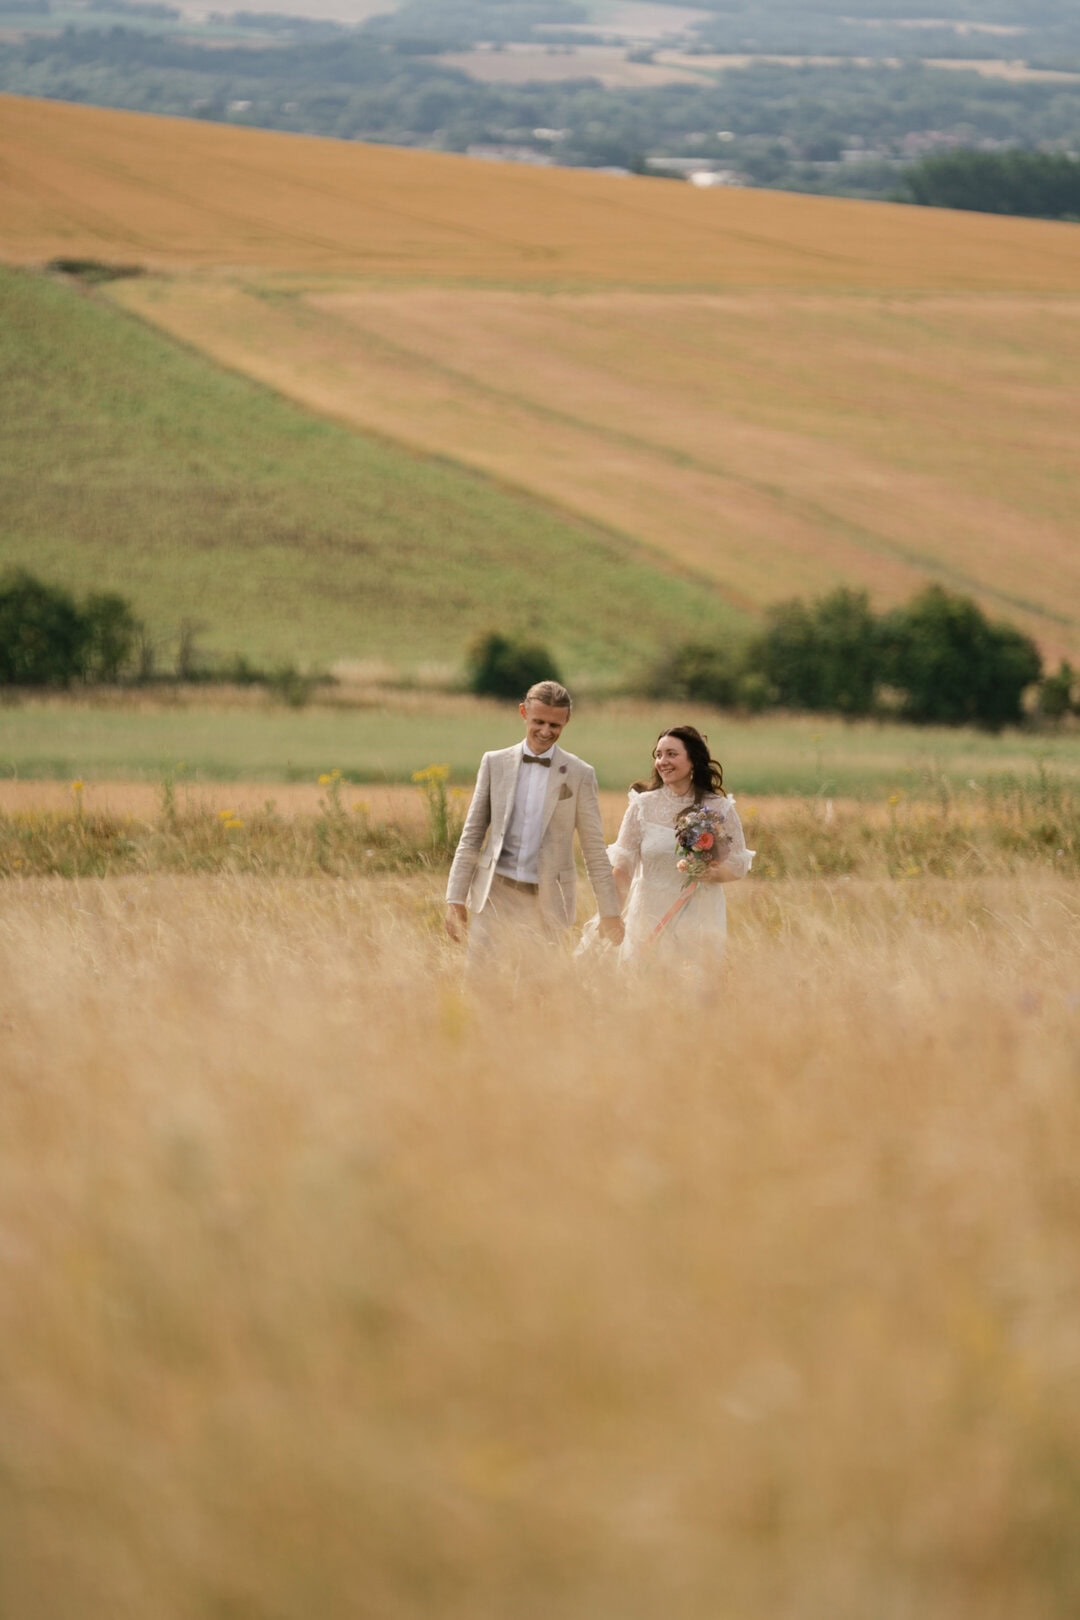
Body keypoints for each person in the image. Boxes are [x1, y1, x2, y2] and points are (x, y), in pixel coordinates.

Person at [445, 680, 624, 968]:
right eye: (538, 721)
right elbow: (472, 836)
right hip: (493, 896)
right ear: (523, 712)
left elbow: (594, 849)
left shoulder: (580, 774)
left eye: (555, 725)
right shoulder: (494, 762)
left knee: (536, 994)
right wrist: (455, 899)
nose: (546, 731)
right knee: (480, 985)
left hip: (548, 903)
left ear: (567, 721)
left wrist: (610, 911)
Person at [601, 725, 754, 967]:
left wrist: (713, 872)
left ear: (693, 760)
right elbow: (622, 869)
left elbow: (738, 865)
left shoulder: (719, 808)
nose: (662, 761)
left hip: (700, 917)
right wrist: (611, 914)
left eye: (672, 754)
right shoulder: (642, 806)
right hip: (648, 914)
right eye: (659, 755)